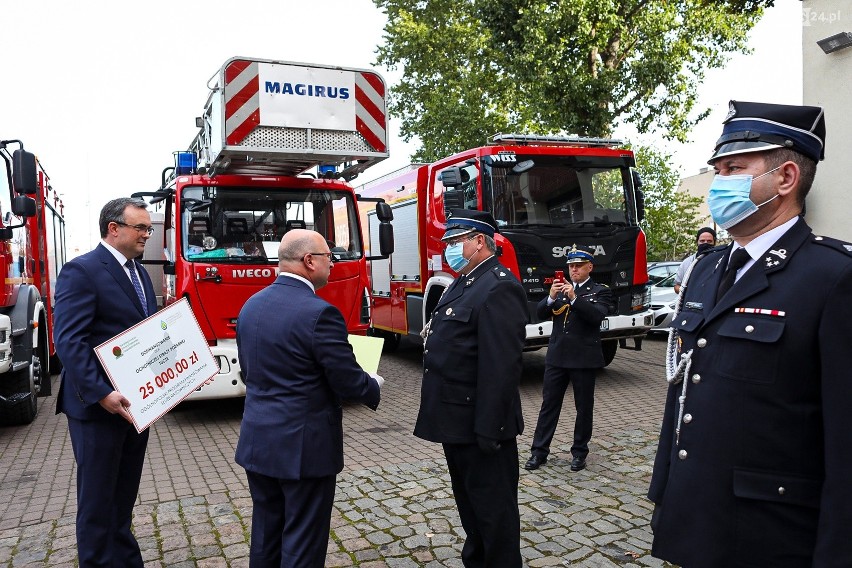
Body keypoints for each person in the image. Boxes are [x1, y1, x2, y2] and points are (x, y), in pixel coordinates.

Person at [648, 101, 852, 567]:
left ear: (785, 179)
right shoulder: (708, 268)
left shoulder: (833, 277)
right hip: (698, 516)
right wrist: (665, 493)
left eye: (735, 169)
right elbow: (681, 393)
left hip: (771, 535)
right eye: (717, 170)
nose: (720, 183)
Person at [234, 228, 383, 567]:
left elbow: (249, 372)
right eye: (329, 257)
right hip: (304, 450)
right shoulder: (320, 313)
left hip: (259, 442)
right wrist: (372, 383)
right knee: (303, 542)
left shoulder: (251, 306)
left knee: (266, 537)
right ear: (309, 261)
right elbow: (347, 381)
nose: (333, 263)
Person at [413, 209, 528, 567]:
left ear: (480, 241)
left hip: (480, 426)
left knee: (495, 514)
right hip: (456, 421)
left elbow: (501, 368)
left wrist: (488, 430)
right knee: (470, 507)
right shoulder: (464, 282)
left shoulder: (499, 285)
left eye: (454, 241)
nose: (448, 248)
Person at [53, 197, 158, 567]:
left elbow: (147, 336)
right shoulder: (82, 271)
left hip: (135, 406)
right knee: (98, 503)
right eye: (140, 227)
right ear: (114, 229)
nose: (147, 234)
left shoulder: (140, 272)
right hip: (98, 409)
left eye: (148, 227)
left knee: (123, 498)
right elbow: (69, 340)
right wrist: (101, 393)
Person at [524, 246, 614, 473]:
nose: (574, 269)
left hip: (584, 358)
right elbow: (540, 314)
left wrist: (574, 299)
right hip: (558, 356)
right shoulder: (561, 289)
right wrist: (551, 297)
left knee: (583, 408)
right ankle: (539, 452)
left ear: (589, 267)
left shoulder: (600, 291)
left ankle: (579, 452)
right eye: (571, 266)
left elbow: (596, 317)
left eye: (579, 266)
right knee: (548, 406)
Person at [672, 227, 717, 293]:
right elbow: (677, 286)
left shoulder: (721, 260)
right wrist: (688, 292)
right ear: (697, 242)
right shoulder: (687, 263)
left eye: (709, 241)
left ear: (714, 242)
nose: (705, 243)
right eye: (702, 241)